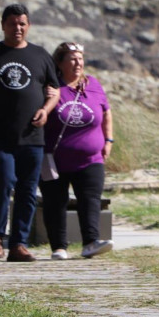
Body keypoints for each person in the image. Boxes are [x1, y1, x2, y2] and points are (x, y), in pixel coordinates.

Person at [0, 3, 60, 262]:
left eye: (22, 23)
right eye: (12, 23)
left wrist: (46, 109)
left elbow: (55, 90)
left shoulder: (41, 55)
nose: (17, 28)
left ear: (28, 26)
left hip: (32, 137)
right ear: (3, 25)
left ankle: (18, 244)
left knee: (28, 189)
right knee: (3, 182)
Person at [38, 42, 114, 260]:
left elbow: (106, 113)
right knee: (54, 202)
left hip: (91, 158)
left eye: (80, 58)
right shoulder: (51, 87)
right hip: (54, 159)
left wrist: (108, 141)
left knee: (90, 199)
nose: (78, 63)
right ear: (60, 63)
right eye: (72, 58)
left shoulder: (94, 84)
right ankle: (59, 247)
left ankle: (90, 242)